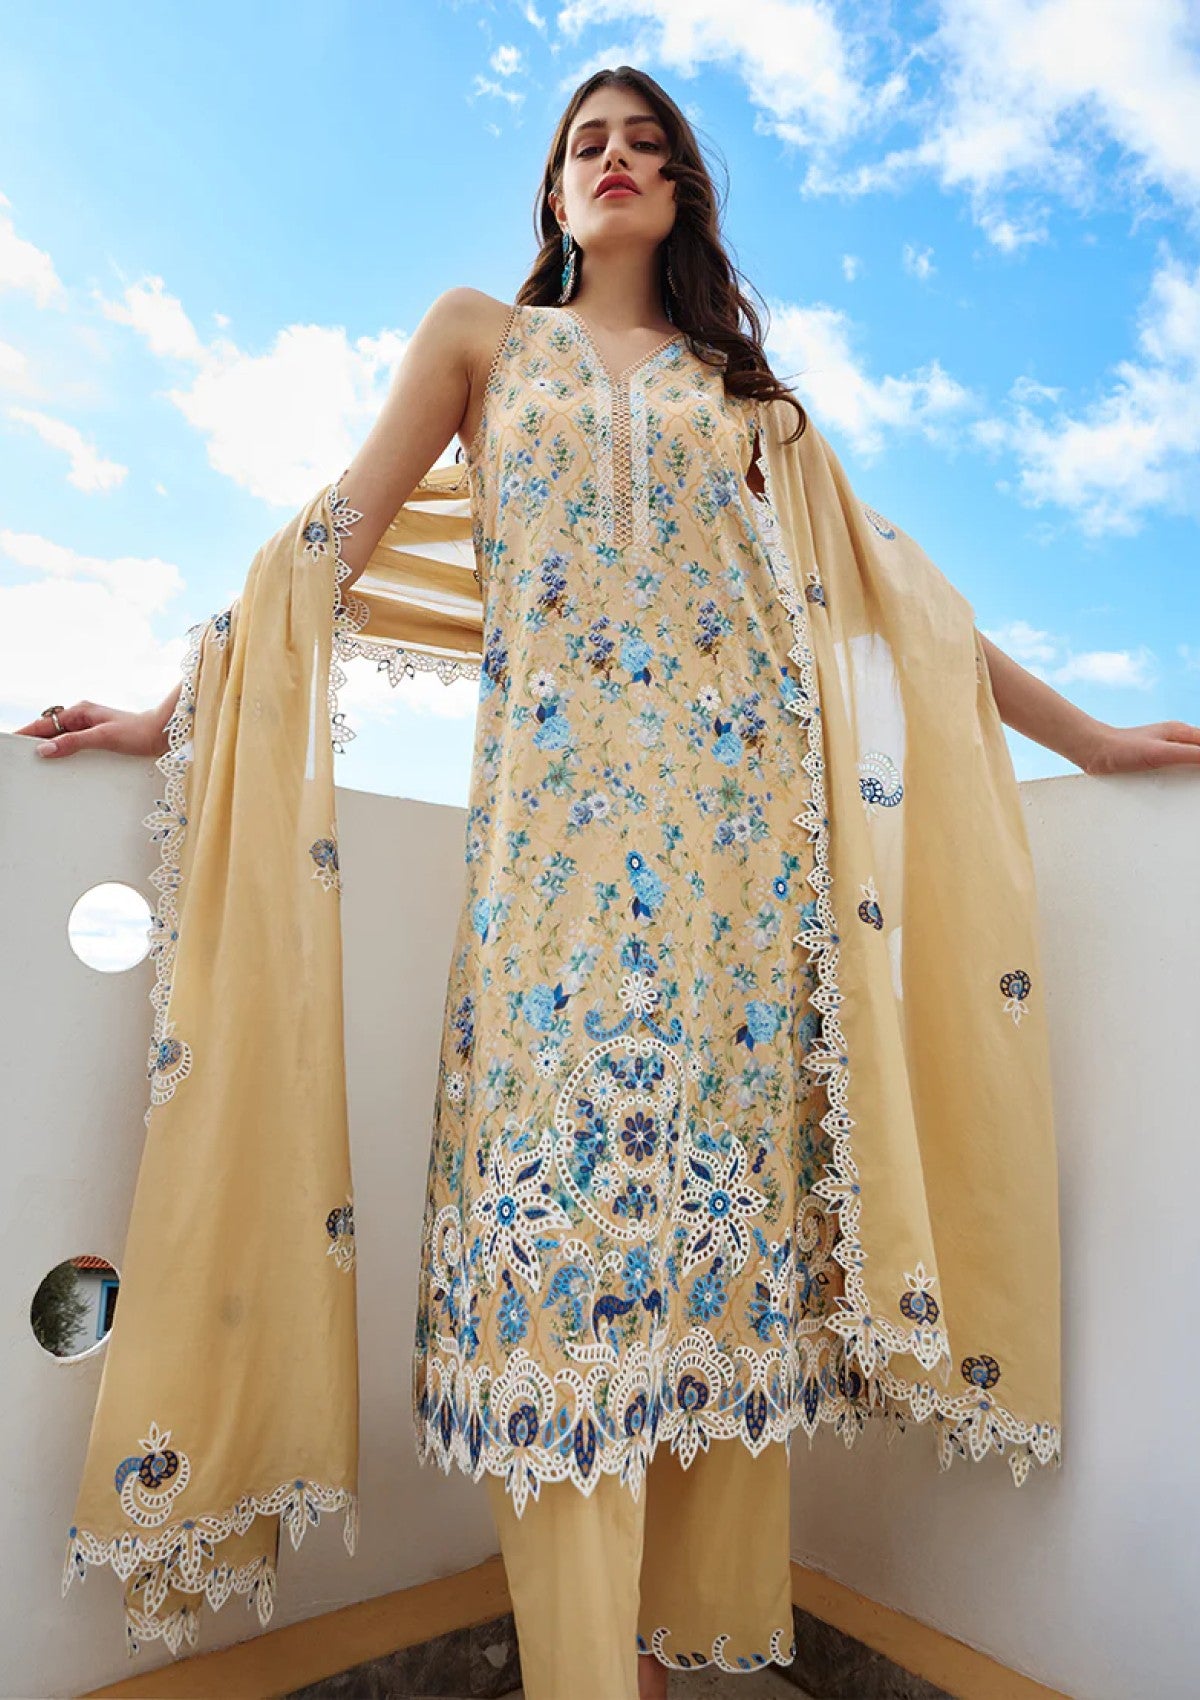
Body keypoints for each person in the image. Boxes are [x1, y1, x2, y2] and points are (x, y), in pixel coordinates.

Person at [21, 63, 1200, 1700]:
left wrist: (1094, 740)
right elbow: (321, 549)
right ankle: (586, 1671)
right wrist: (175, 712)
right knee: (549, 1269)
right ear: (556, 191)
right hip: (547, 873)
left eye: (649, 143)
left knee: (704, 1269)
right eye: (590, 143)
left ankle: (663, 1653)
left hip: (737, 882)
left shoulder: (750, 404)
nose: (619, 159)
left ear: (684, 190)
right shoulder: (479, 342)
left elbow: (903, 605)